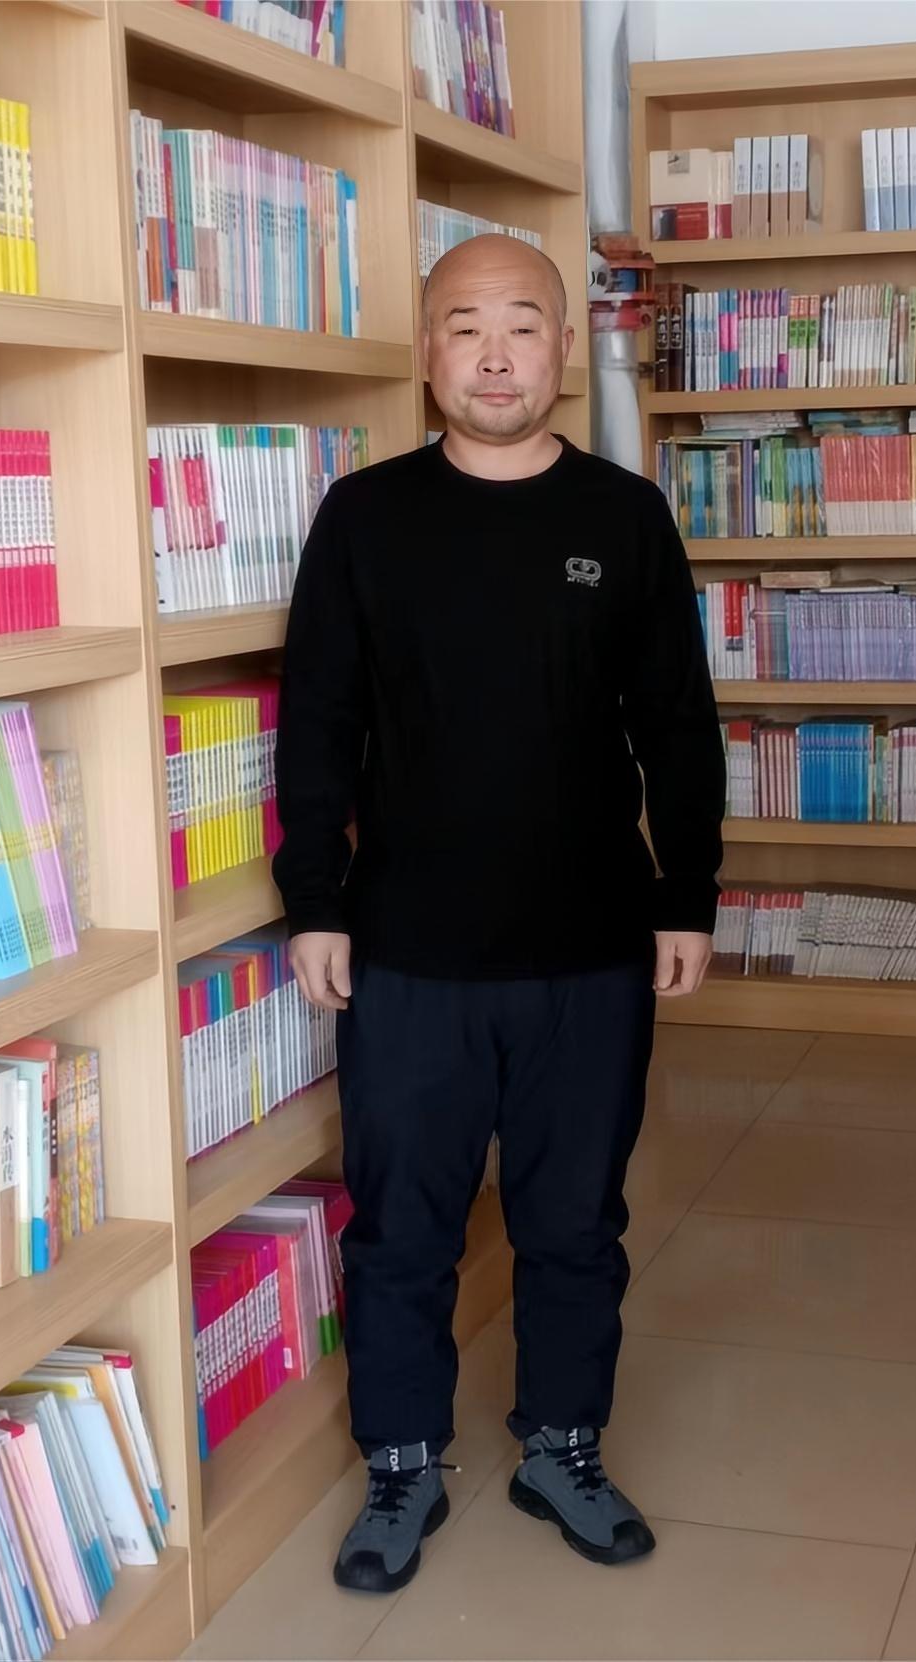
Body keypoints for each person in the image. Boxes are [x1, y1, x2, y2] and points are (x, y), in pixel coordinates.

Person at [272, 231, 725, 1594]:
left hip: (591, 948)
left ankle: (562, 1445)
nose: (493, 354)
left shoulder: (625, 517)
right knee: (401, 1224)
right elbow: (318, 722)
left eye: (523, 325)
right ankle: (402, 1460)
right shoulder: (365, 517)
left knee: (574, 1220)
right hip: (407, 950)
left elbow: (678, 726)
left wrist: (685, 895)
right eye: (464, 325)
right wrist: (314, 899)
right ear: (426, 350)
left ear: (564, 350)